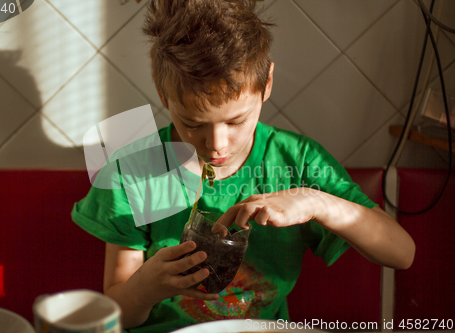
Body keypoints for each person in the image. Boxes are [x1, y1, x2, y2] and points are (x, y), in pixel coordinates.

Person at [71, 0, 415, 332]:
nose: (216, 144)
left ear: (266, 84)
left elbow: (402, 253)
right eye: (192, 123)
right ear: (164, 95)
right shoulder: (134, 171)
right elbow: (119, 315)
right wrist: (145, 288)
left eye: (235, 121)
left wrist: (317, 202)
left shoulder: (299, 162)